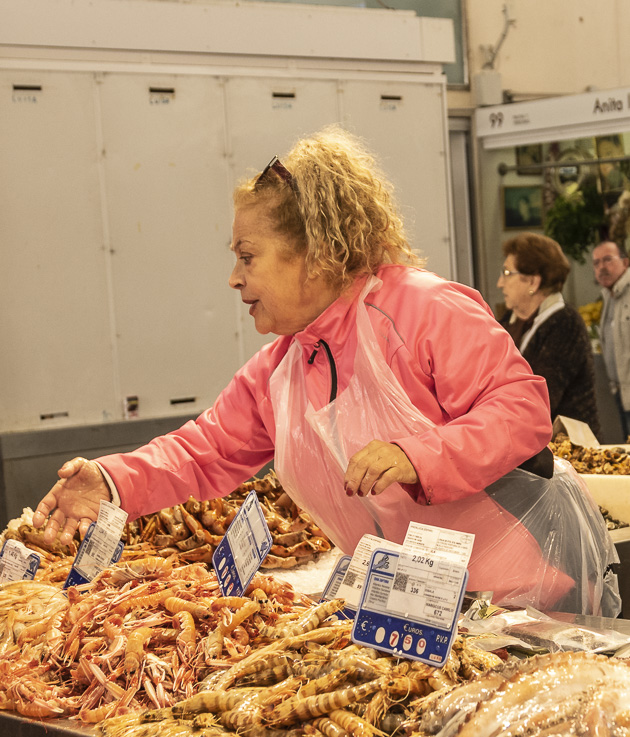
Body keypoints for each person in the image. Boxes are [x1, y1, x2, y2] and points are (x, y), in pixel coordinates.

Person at [33, 127, 618, 613]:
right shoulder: (281, 368)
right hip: (420, 609)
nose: (234, 280)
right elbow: (201, 450)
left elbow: (520, 411)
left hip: (525, 597)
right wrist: (110, 482)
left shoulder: (421, 309)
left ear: (314, 250)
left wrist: (419, 455)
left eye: (246, 256)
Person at [497, 232, 600, 437]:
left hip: (569, 452)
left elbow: (539, 398)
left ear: (533, 282)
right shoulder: (509, 321)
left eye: (507, 273)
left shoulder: (565, 323)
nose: (500, 283)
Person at [592, 240, 630, 440]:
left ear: (625, 262)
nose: (601, 267)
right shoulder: (609, 296)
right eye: (596, 263)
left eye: (607, 260)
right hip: (620, 392)